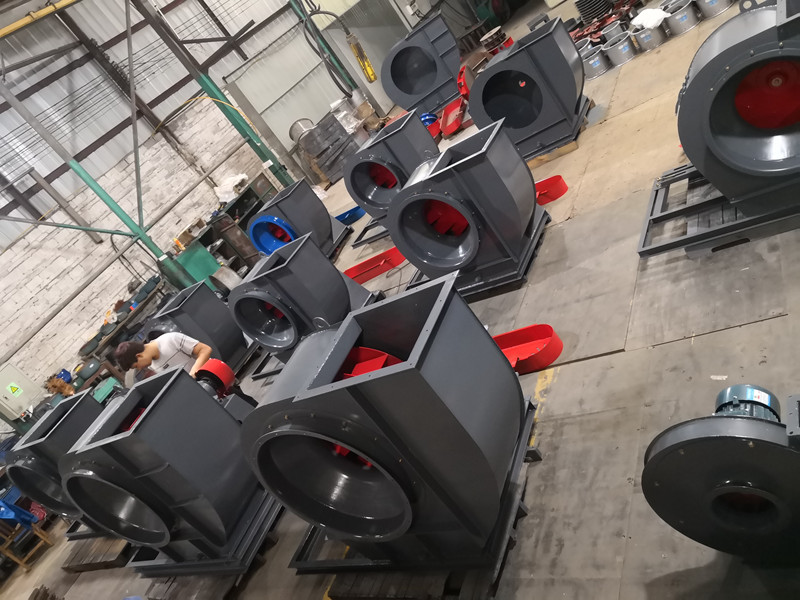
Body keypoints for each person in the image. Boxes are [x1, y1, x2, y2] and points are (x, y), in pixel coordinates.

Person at [114, 332, 213, 378]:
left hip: (212, 376)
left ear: (138, 356)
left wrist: (194, 373)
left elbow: (205, 350)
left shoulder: (171, 339)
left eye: (136, 366)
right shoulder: (152, 365)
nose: (140, 368)